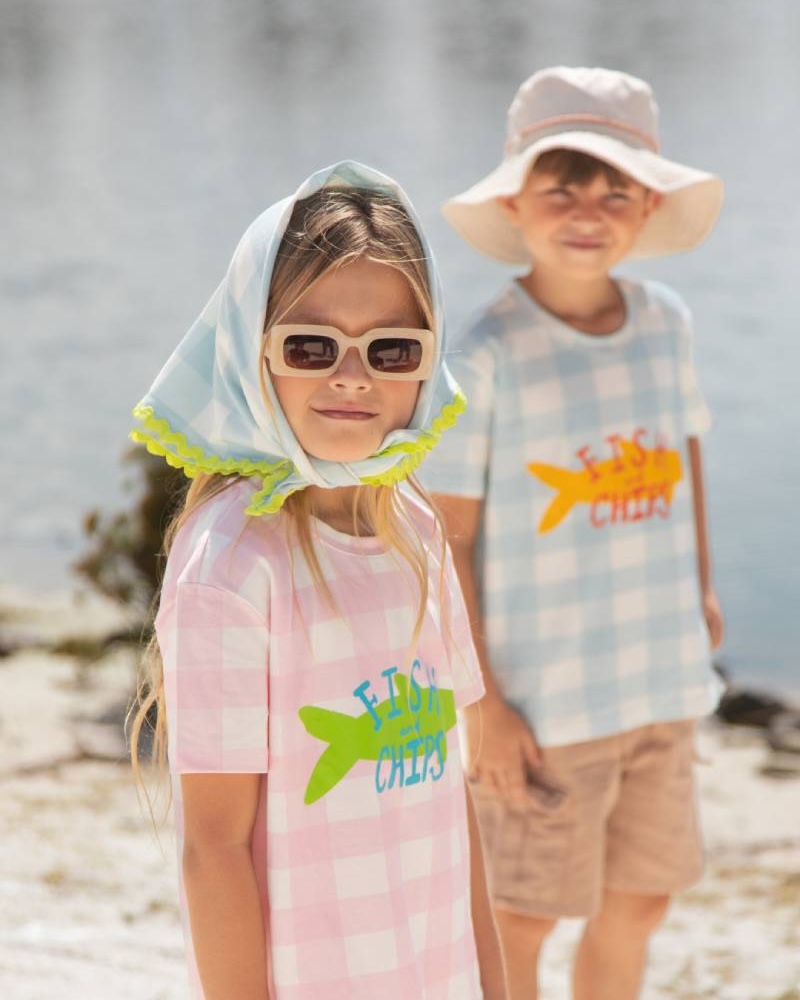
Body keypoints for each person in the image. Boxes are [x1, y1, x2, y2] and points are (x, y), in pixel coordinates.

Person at [129, 161, 506, 1000]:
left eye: (391, 349)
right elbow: (215, 850)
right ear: (252, 351)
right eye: (311, 345)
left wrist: (495, 984)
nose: (352, 375)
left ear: (426, 365)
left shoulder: (418, 529)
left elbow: (454, 798)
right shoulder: (232, 567)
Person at [422, 67, 725, 1000]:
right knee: (520, 915)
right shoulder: (484, 355)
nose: (588, 213)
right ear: (514, 203)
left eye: (615, 192)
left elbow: (685, 456)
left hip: (660, 681)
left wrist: (703, 588)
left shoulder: (666, 324)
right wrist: (481, 706)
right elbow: (445, 542)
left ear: (647, 207)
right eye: (561, 188)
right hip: (544, 700)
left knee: (641, 900)